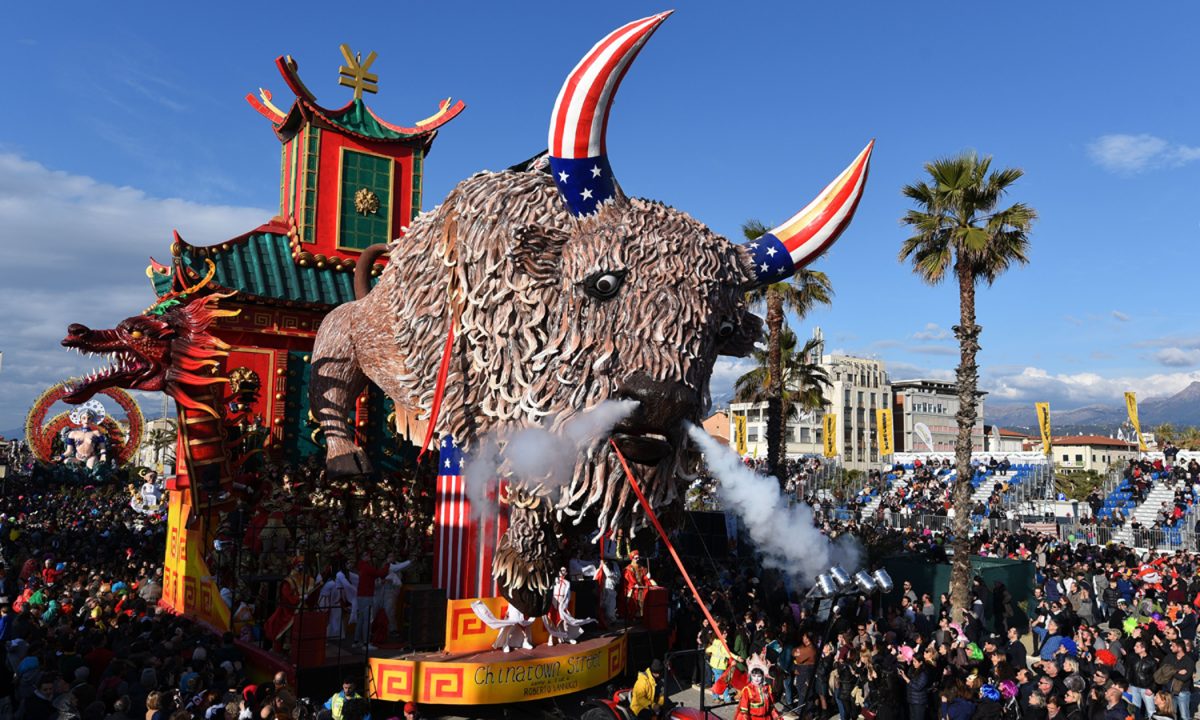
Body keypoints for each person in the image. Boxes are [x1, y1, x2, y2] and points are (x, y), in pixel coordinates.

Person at [735, 654, 781, 720]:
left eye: (759, 676)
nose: (756, 679)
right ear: (751, 676)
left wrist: (775, 715)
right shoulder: (747, 690)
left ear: (763, 676)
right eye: (754, 676)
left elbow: (771, 706)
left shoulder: (767, 687)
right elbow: (744, 711)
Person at [624, 551, 656, 620]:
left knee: (642, 602)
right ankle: (632, 616)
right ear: (632, 559)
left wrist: (647, 577)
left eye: (638, 558)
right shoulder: (629, 568)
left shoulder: (641, 567)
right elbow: (629, 577)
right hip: (633, 588)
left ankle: (641, 617)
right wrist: (634, 584)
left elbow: (643, 577)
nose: (638, 559)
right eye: (636, 558)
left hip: (641, 587)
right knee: (632, 602)